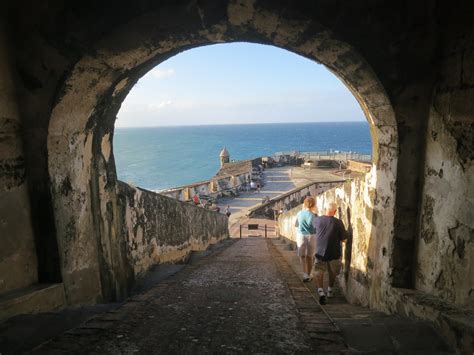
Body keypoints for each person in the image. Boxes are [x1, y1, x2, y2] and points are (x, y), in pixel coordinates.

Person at [312, 201, 348, 305]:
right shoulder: (338, 222)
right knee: (332, 271)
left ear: (325, 210)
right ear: (335, 211)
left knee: (319, 271)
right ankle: (330, 290)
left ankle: (320, 291)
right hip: (334, 251)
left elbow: (314, 229)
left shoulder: (317, 220)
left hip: (320, 251)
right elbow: (344, 239)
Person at [295, 196, 317, 282]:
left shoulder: (299, 213)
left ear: (304, 204)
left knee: (302, 256)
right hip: (311, 236)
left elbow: (296, 225)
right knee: (310, 256)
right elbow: (315, 227)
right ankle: (309, 274)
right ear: (313, 205)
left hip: (301, 235)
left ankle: (304, 274)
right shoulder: (314, 215)